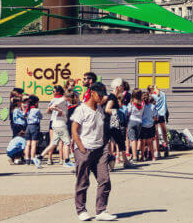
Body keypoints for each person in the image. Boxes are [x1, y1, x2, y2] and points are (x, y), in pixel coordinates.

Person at [72, 82, 116, 221]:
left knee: (105, 180)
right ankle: (81, 210)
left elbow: (100, 128)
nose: (101, 98)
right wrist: (81, 148)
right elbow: (74, 129)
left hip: (100, 150)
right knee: (83, 181)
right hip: (85, 149)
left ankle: (101, 211)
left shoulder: (99, 110)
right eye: (99, 95)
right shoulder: (81, 110)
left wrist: (105, 145)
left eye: (103, 95)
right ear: (92, 93)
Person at [41, 86, 74, 167]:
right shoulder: (61, 100)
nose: (71, 99)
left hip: (57, 124)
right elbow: (51, 107)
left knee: (54, 143)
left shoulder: (63, 100)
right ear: (68, 96)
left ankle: (39, 157)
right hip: (60, 124)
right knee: (67, 142)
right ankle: (66, 161)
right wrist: (60, 111)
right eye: (71, 97)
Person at [105, 79, 132, 169]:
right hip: (112, 122)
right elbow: (107, 109)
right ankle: (124, 161)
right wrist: (116, 112)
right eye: (121, 86)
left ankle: (125, 161)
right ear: (117, 87)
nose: (123, 87)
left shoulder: (114, 96)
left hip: (113, 121)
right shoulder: (112, 97)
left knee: (119, 140)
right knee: (117, 141)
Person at [23, 95, 42, 168]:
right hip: (35, 126)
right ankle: (33, 159)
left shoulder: (28, 110)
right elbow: (41, 117)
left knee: (28, 144)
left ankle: (27, 159)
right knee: (34, 144)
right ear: (36, 103)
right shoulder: (36, 110)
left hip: (28, 127)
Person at [152, 85, 170, 157]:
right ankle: (166, 147)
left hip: (156, 115)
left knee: (156, 134)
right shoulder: (163, 94)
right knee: (164, 132)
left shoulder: (153, 96)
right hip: (162, 114)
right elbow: (165, 105)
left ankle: (157, 151)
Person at [126, 89, 144, 161]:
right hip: (139, 121)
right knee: (138, 138)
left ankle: (134, 156)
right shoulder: (142, 103)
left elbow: (128, 112)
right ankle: (137, 153)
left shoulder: (131, 103)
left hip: (132, 121)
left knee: (133, 140)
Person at [139, 91, 158, 161]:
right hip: (150, 125)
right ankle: (153, 156)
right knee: (150, 142)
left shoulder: (141, 106)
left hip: (143, 125)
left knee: (142, 142)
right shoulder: (152, 106)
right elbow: (155, 117)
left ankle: (142, 157)